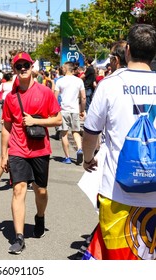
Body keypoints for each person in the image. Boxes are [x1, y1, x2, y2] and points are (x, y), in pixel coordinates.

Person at [82, 24, 156, 260]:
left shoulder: (110, 85)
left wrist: (88, 159)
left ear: (127, 51)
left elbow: (91, 131)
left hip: (117, 194)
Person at [1, 52, 61, 254]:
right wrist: (4, 154)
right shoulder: (10, 97)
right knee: (18, 189)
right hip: (17, 148)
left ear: (31, 66)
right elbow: (6, 127)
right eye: (19, 66)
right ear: (14, 70)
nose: (23, 68)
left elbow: (58, 120)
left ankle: (40, 216)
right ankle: (18, 237)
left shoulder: (45, 92)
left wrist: (37, 121)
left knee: (40, 190)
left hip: (40, 148)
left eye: (26, 64)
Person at [54, 61, 86, 165]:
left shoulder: (60, 81)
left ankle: (67, 157)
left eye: (63, 67)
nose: (62, 69)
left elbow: (54, 97)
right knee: (76, 132)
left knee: (64, 133)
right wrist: (82, 110)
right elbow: (83, 97)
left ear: (67, 68)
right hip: (75, 109)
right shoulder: (79, 81)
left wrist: (54, 110)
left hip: (63, 110)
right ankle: (79, 149)